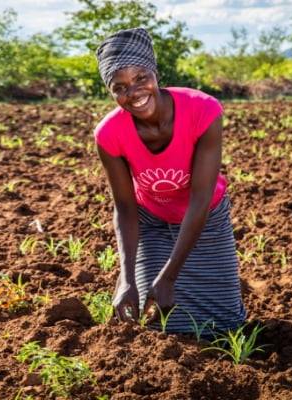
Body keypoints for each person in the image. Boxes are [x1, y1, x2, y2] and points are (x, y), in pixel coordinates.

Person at [93, 27, 246, 335]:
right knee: (157, 325)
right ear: (111, 93)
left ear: (156, 73)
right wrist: (126, 278)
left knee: (227, 325)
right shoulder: (109, 134)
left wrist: (169, 276)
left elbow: (200, 197)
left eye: (140, 78)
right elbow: (124, 207)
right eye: (119, 87)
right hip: (151, 221)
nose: (133, 92)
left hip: (206, 217)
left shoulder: (202, 110)